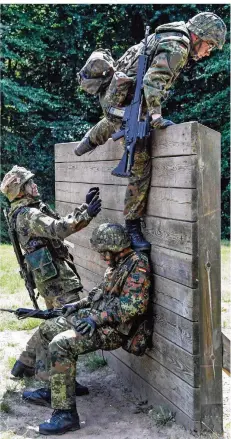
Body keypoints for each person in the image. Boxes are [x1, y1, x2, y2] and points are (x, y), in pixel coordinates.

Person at [74, 12, 226, 251]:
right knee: (140, 164)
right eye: (210, 45)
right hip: (123, 103)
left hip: (116, 100)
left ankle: (90, 139)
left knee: (122, 122)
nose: (208, 52)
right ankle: (132, 224)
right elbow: (153, 82)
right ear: (201, 35)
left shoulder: (168, 34)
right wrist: (156, 118)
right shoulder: (179, 46)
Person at [22, 223, 151, 435]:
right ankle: (52, 390)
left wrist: (95, 319)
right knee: (48, 328)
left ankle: (66, 415)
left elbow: (134, 306)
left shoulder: (137, 266)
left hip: (115, 330)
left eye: (103, 252)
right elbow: (100, 293)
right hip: (98, 319)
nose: (101, 256)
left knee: (61, 344)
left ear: (114, 247)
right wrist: (77, 306)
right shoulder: (119, 263)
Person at [0, 165, 101, 395]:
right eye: (29, 184)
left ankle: (25, 363)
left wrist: (83, 208)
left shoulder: (24, 210)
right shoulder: (29, 214)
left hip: (48, 277)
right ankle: (57, 382)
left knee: (53, 324)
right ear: (21, 191)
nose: (35, 186)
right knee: (66, 328)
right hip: (56, 280)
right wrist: (87, 213)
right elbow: (58, 229)